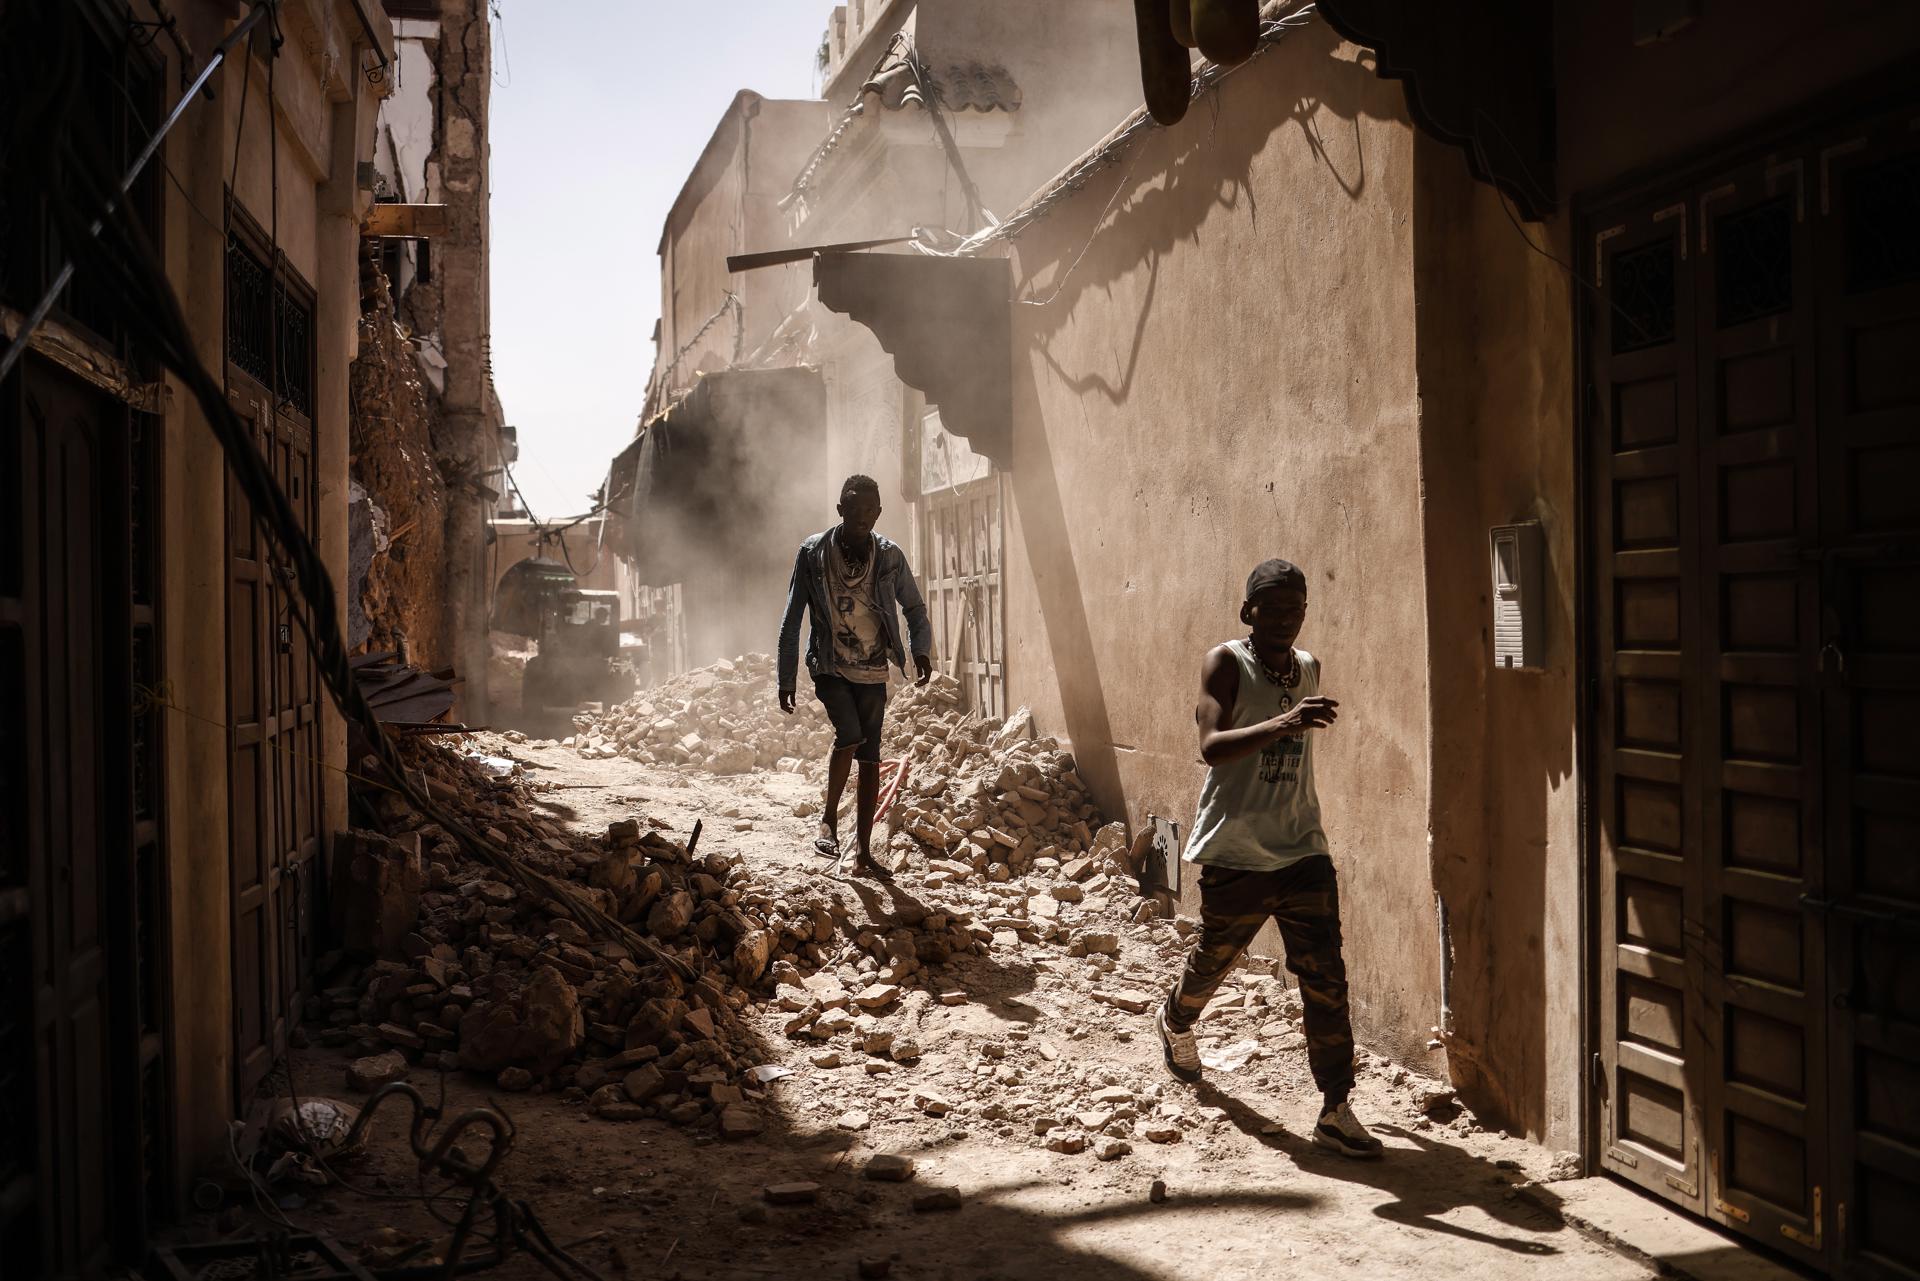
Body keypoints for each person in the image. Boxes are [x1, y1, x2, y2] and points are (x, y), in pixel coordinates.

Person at [1154, 558, 1383, 1159]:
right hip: (1237, 849)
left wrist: (1291, 720)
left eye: (1297, 608)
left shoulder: (1307, 667)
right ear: (1247, 611)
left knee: (1325, 975)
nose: (1287, 619)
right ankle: (1178, 1017)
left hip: (1303, 846)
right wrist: (1285, 722)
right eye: (1274, 607)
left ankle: (1336, 1107)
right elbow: (1211, 748)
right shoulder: (1226, 662)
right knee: (1217, 958)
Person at [777, 474, 932, 878]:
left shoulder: (890, 557)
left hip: (873, 668)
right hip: (829, 663)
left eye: (870, 509)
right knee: (849, 732)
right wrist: (786, 677)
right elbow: (793, 618)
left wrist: (920, 651)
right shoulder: (812, 553)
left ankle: (863, 852)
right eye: (854, 507)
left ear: (878, 513)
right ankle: (828, 820)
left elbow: (914, 609)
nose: (862, 516)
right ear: (840, 509)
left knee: (871, 755)